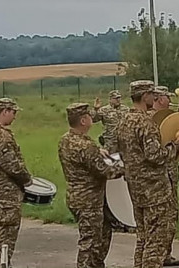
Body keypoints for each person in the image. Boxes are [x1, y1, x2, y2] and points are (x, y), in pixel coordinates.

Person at [116, 80, 179, 268]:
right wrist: (177, 146)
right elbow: (155, 155)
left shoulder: (124, 120)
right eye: (151, 94)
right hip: (154, 189)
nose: (154, 97)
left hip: (136, 187)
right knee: (155, 241)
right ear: (144, 96)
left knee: (143, 237)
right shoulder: (145, 122)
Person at [58, 102, 124, 268]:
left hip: (76, 196)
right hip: (89, 201)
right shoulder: (86, 146)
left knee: (101, 234)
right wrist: (125, 166)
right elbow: (106, 171)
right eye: (88, 116)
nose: (91, 119)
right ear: (82, 121)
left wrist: (98, 151)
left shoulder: (66, 140)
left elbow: (86, 159)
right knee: (90, 242)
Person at [0, 98, 33, 268]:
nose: (15, 117)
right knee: (7, 228)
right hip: (5, 188)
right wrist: (27, 179)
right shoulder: (2, 135)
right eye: (13, 112)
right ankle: (1, 263)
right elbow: (11, 164)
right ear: (5, 112)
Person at [152, 85, 179, 267]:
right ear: (159, 98)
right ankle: (161, 254)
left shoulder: (166, 117)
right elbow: (162, 148)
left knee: (169, 216)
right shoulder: (152, 120)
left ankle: (165, 252)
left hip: (170, 172)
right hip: (162, 174)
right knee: (166, 217)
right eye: (166, 97)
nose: (169, 100)